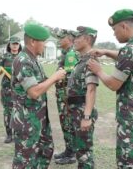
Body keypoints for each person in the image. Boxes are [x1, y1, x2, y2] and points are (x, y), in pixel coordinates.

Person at [87, 9, 133, 169]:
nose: (114, 35)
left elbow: (113, 84)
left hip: (132, 116)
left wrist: (98, 70)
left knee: (129, 162)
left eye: (114, 30)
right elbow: (130, 57)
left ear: (124, 26)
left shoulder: (130, 50)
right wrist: (105, 52)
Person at [10, 23, 66, 169]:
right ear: (33, 42)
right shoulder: (23, 61)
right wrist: (54, 77)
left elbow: (42, 83)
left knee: (46, 151)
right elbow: (34, 92)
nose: (45, 45)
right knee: (25, 160)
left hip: (39, 118)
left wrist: (56, 79)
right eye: (43, 42)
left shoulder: (34, 60)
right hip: (26, 120)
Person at [67, 26, 99, 169]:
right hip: (76, 111)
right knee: (80, 151)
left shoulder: (90, 61)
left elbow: (91, 89)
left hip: (82, 112)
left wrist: (86, 117)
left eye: (77, 37)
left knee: (84, 153)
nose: (74, 40)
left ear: (86, 39)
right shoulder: (82, 60)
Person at [53, 29, 78, 165]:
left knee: (68, 123)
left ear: (68, 39)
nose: (59, 40)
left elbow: (68, 77)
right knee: (65, 123)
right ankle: (69, 150)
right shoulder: (66, 52)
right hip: (63, 95)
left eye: (61, 38)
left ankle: (72, 153)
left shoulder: (71, 54)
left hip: (67, 96)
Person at [0, 36, 22, 143]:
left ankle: (18, 134)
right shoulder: (3, 56)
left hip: (19, 87)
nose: (15, 45)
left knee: (19, 111)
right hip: (7, 87)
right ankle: (9, 134)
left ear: (19, 45)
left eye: (17, 43)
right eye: (13, 43)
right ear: (9, 44)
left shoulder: (23, 56)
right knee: (8, 111)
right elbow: (0, 69)